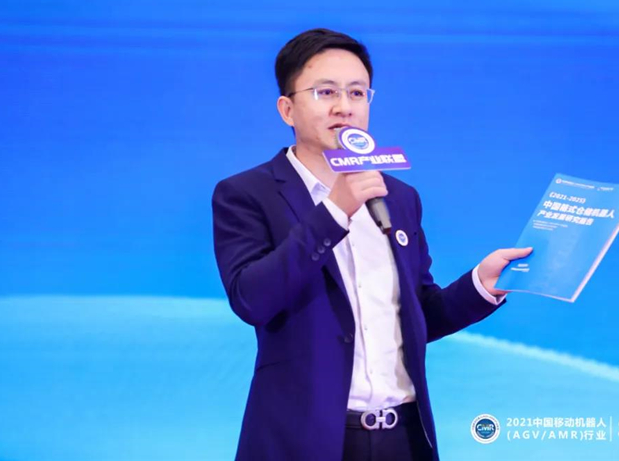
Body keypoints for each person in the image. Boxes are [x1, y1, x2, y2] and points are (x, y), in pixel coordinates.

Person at [212, 28, 532, 461]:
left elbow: (417, 317)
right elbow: (252, 300)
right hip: (304, 441)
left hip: (403, 437)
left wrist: (479, 286)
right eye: (326, 92)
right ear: (287, 109)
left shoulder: (397, 197)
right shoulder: (247, 194)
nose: (344, 106)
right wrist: (334, 212)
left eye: (357, 93)